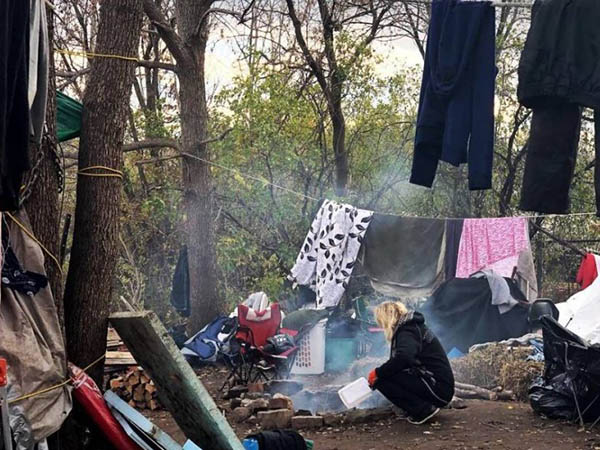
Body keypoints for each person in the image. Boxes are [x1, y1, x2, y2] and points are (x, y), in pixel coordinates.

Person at [369, 301, 455, 424]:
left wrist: (378, 373)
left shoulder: (407, 330)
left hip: (439, 389)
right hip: (438, 386)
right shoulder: (411, 327)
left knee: (381, 379)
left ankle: (423, 410)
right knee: (388, 373)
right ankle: (417, 408)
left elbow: (403, 358)